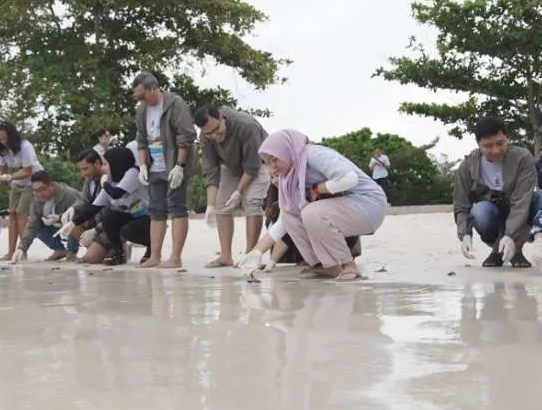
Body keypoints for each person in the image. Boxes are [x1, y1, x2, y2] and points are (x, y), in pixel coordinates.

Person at [240, 129, 386, 281]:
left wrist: (317, 188)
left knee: (311, 212)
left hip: (368, 204)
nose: (273, 167)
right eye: (268, 162)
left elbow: (350, 179)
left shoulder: (314, 154)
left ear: (286, 151)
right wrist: (256, 252)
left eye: (274, 159)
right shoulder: (289, 176)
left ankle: (348, 265)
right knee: (291, 217)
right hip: (341, 210)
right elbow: (284, 221)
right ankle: (327, 265)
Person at [453, 116, 542, 268]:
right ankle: (497, 250)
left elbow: (521, 202)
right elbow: (461, 204)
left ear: (507, 138)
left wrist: (510, 234)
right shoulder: (467, 166)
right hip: (492, 211)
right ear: (478, 144)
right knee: (480, 211)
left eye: (500, 143)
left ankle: (516, 249)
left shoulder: (523, 158)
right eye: (488, 146)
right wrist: (465, 234)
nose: (496, 150)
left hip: (521, 208)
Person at [132, 72, 196, 269]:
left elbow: (186, 136)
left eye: (142, 95)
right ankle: (155, 256)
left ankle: (175, 257)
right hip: (154, 165)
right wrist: (142, 165)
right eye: (137, 97)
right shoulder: (141, 110)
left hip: (173, 163)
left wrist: (180, 166)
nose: (140, 100)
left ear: (154, 88)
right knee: (156, 210)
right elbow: (141, 140)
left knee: (177, 206)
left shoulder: (175, 103)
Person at [193, 104, 271, 268]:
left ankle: (251, 255)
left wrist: (238, 192)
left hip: (260, 163)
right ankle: (225, 256)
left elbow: (252, 166)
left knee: (251, 202)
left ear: (222, 118)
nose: (214, 135)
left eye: (216, 129)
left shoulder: (247, 125)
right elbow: (211, 170)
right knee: (221, 206)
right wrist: (210, 205)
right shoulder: (206, 135)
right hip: (231, 166)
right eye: (209, 133)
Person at [64, 145, 152, 265]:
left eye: (106, 164)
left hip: (148, 217)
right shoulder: (112, 180)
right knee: (110, 217)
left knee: (128, 230)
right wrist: (73, 222)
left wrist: (104, 183)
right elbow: (94, 208)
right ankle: (118, 253)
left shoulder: (133, 172)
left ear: (117, 163)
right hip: (132, 215)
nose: (104, 168)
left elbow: (116, 193)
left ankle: (151, 247)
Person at [0, 122, 42, 261]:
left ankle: (22, 251)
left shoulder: (25, 146)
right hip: (15, 182)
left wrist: (9, 177)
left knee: (21, 213)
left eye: (5, 138)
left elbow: (28, 170)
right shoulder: (2, 151)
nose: (3, 142)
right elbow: (2, 170)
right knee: (12, 213)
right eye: (0, 139)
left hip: (32, 181)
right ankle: (10, 251)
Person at [12, 171, 81, 263]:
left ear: (51, 185)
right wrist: (21, 248)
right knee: (35, 226)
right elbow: (32, 224)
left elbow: (80, 216)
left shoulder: (69, 194)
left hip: (74, 227)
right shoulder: (36, 199)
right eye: (36, 190)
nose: (40, 194)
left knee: (73, 221)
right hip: (54, 228)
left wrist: (60, 218)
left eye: (43, 189)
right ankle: (59, 250)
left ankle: (72, 252)